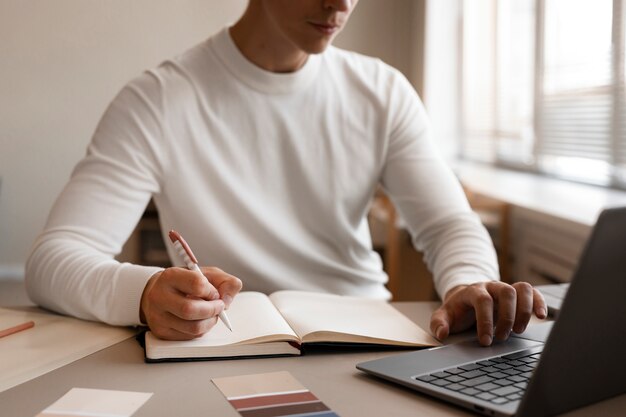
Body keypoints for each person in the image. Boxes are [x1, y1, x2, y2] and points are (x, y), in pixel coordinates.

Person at [26, 0, 546, 345]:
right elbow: (53, 260)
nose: (340, 3)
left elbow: (447, 224)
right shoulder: (158, 100)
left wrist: (468, 282)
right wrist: (141, 293)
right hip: (227, 342)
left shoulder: (381, 91)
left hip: (366, 339)